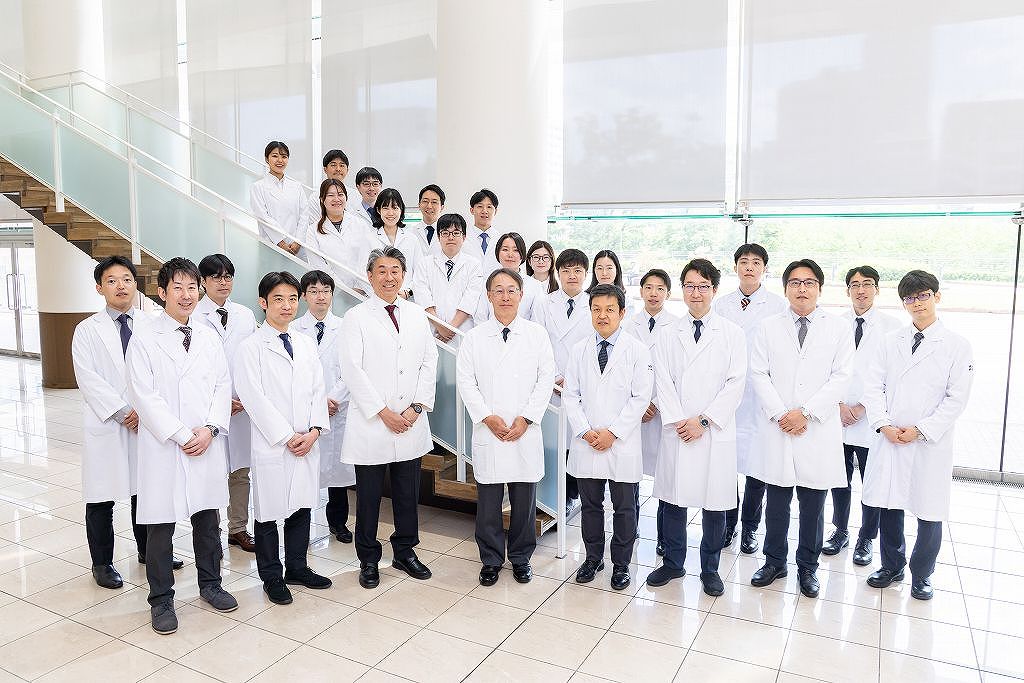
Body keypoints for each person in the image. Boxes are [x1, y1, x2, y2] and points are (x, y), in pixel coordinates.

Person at [126, 257, 237, 635]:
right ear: (162, 293)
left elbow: (222, 385)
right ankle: (161, 600)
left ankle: (211, 584)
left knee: (208, 519)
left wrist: (210, 429)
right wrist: (180, 434)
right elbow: (143, 394)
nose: (187, 295)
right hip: (166, 446)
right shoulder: (145, 337)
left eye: (192, 287)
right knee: (161, 526)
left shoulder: (208, 336)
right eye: (178, 288)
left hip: (205, 442)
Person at [71, 256, 182, 590]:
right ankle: (102, 563)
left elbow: (162, 374)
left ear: (136, 284)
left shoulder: (153, 325)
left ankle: (149, 552)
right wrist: (123, 412)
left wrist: (145, 411)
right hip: (108, 423)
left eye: (127, 279)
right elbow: (88, 379)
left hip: (146, 422)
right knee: (101, 496)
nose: (121, 286)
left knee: (145, 490)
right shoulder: (86, 330)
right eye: (112, 280)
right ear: (99, 288)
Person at [862, 270, 974, 601]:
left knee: (929, 510)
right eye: (910, 298)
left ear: (936, 297)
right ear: (903, 303)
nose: (917, 303)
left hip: (928, 443)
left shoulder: (957, 346)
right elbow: (873, 386)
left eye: (923, 295)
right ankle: (891, 565)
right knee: (889, 505)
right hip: (891, 436)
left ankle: (922, 574)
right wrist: (883, 424)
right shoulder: (889, 341)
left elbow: (957, 399)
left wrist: (921, 430)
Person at [746, 259, 853, 599]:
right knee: (776, 503)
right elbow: (758, 373)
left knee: (813, 507)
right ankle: (774, 562)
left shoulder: (838, 328)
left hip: (816, 429)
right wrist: (782, 414)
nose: (802, 289)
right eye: (795, 282)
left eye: (809, 283)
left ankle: (808, 567)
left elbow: (842, 376)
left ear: (819, 288)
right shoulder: (768, 326)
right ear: (786, 289)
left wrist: (806, 413)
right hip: (779, 427)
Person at [339, 247, 439, 589]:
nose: (389, 277)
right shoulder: (356, 317)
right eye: (381, 270)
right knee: (368, 498)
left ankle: (405, 551)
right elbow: (351, 369)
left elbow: (429, 362)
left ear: (403, 275)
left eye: (395, 270)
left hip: (410, 420)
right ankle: (368, 559)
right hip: (373, 422)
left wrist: (415, 408)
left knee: (407, 493)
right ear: (370, 276)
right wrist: (383, 412)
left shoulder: (417, 314)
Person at [646, 260, 746, 596]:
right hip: (678, 430)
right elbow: (662, 381)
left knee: (714, 504)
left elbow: (736, 384)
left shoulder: (732, 334)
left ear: (714, 290)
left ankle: (710, 569)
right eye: (689, 286)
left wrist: (703, 421)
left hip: (712, 431)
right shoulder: (667, 333)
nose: (696, 292)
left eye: (703, 286)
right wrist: (679, 420)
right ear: (682, 290)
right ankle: (673, 563)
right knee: (674, 501)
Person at [233, 271, 333, 605]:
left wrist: (315, 431)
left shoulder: (305, 343)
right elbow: (253, 397)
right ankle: (272, 576)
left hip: (307, 440)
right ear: (263, 303)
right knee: (267, 512)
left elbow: (318, 389)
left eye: (292, 299)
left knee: (302, 505)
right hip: (274, 443)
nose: (287, 306)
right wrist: (288, 436)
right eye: (278, 299)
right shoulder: (250, 348)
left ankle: (298, 568)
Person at [456, 268, 556, 586]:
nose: (505, 296)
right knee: (488, 502)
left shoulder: (536, 335)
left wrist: (526, 418)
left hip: (525, 429)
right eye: (498, 290)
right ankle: (490, 559)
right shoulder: (474, 338)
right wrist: (488, 417)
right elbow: (466, 382)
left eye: (511, 290)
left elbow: (545, 379)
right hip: (490, 429)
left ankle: (521, 558)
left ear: (521, 295)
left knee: (524, 502)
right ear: (488, 296)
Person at [565, 284, 654, 591]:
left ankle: (621, 564)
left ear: (622, 312)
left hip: (621, 442)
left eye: (609, 310)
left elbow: (641, 398)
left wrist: (612, 433)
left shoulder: (637, 350)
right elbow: (571, 395)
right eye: (596, 310)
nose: (602, 316)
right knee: (590, 506)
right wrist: (586, 431)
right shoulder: (578, 350)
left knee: (624, 508)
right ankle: (592, 559)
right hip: (587, 441)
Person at [821, 265, 901, 565]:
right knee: (839, 480)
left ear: (877, 289)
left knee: (872, 482)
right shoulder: (834, 324)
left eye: (867, 284)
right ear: (847, 291)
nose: (861, 290)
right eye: (855, 285)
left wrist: (862, 407)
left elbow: (890, 375)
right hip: (837, 415)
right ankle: (840, 530)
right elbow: (825, 369)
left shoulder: (892, 327)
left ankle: (866, 537)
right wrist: (840, 404)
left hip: (871, 419)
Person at [713, 243, 787, 554]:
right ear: (735, 267)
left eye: (756, 262)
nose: (749, 267)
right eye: (743, 262)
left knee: (757, 467)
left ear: (764, 269)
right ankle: (728, 523)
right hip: (728, 394)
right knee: (726, 465)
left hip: (760, 397)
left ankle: (750, 527)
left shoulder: (778, 305)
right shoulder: (720, 305)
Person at [194, 254, 259, 553]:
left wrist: (245, 396)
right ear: (203, 282)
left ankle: (238, 529)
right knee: (211, 472)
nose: (223, 282)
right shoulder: (193, 316)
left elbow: (254, 358)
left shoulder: (245, 315)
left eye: (228, 276)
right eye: (216, 277)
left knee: (240, 471)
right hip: (208, 408)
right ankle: (211, 536)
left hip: (242, 406)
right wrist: (220, 401)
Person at [293, 270, 356, 543]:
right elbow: (293, 375)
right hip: (305, 412)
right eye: (314, 291)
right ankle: (301, 527)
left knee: (337, 475)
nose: (321, 296)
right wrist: (317, 403)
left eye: (326, 291)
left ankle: (338, 523)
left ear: (332, 295)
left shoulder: (346, 328)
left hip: (337, 408)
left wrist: (333, 399)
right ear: (304, 296)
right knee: (305, 473)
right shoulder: (294, 329)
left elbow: (352, 370)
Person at [533, 248, 593, 515]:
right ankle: (550, 496)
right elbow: (539, 342)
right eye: (566, 270)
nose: (572, 276)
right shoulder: (544, 303)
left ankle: (572, 495)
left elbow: (595, 344)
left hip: (581, 384)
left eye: (577, 271)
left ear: (585, 274)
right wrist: (554, 376)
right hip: (551, 382)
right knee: (553, 441)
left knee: (577, 441)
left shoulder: (593, 303)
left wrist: (571, 378)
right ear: (557, 273)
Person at [623, 268, 679, 555]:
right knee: (631, 473)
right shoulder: (628, 324)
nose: (654, 293)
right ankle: (630, 528)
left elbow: (676, 372)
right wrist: (640, 402)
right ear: (641, 291)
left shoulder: (677, 326)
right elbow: (623, 369)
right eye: (648, 287)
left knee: (664, 477)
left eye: (660, 288)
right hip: (635, 410)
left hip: (662, 410)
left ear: (668, 293)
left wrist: (655, 402)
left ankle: (663, 536)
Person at [411, 213, 483, 345]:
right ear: (438, 237)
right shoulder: (425, 264)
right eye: (445, 233)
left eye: (456, 233)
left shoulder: (474, 265)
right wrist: (440, 326)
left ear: (464, 237)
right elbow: (422, 297)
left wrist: (450, 329)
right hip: (432, 330)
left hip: (461, 332)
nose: (450, 237)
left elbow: (470, 299)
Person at [354, 188, 425, 298]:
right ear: (378, 210)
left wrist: (408, 292)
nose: (390, 213)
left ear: (401, 210)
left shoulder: (411, 239)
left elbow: (420, 273)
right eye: (385, 208)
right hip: (376, 299)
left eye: (395, 208)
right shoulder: (369, 238)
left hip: (405, 298)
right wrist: (379, 294)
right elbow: (362, 274)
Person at [304, 179, 367, 291]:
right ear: (322, 199)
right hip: (332, 291)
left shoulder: (360, 224)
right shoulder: (313, 231)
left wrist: (359, 287)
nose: (336, 199)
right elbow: (318, 265)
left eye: (340, 194)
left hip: (363, 289)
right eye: (330, 195)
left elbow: (369, 257)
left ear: (346, 198)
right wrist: (343, 289)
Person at [249, 141, 306, 256]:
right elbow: (262, 217)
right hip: (272, 244)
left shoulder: (297, 186)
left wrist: (298, 242)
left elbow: (304, 216)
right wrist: (281, 242)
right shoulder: (258, 187)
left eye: (284, 156)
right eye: (275, 156)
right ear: (267, 159)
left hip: (297, 247)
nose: (280, 160)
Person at [475, 232, 543, 323]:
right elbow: (480, 318)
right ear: (498, 253)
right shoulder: (487, 283)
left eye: (516, 250)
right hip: (491, 331)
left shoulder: (535, 286)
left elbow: (537, 321)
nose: (510, 255)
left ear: (522, 255)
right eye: (505, 249)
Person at [306, 149, 351, 223]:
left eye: (342, 165)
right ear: (325, 169)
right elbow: (315, 224)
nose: (338, 169)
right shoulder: (315, 197)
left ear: (347, 170)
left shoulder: (356, 195)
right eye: (333, 165)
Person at [464, 188, 501, 272]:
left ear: (495, 211)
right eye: (480, 206)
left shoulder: (501, 239)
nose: (484, 211)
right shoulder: (462, 237)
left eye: (489, 207)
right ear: (472, 210)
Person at [587, 249, 632, 315]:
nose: (604, 273)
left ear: (617, 270)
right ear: (594, 271)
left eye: (609, 268)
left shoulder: (628, 301)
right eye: (600, 268)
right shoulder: (584, 297)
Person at [416, 184, 446, 255]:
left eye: (434, 202)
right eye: (425, 201)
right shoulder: (410, 233)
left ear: (442, 207)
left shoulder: (449, 234)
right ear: (419, 205)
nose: (429, 206)